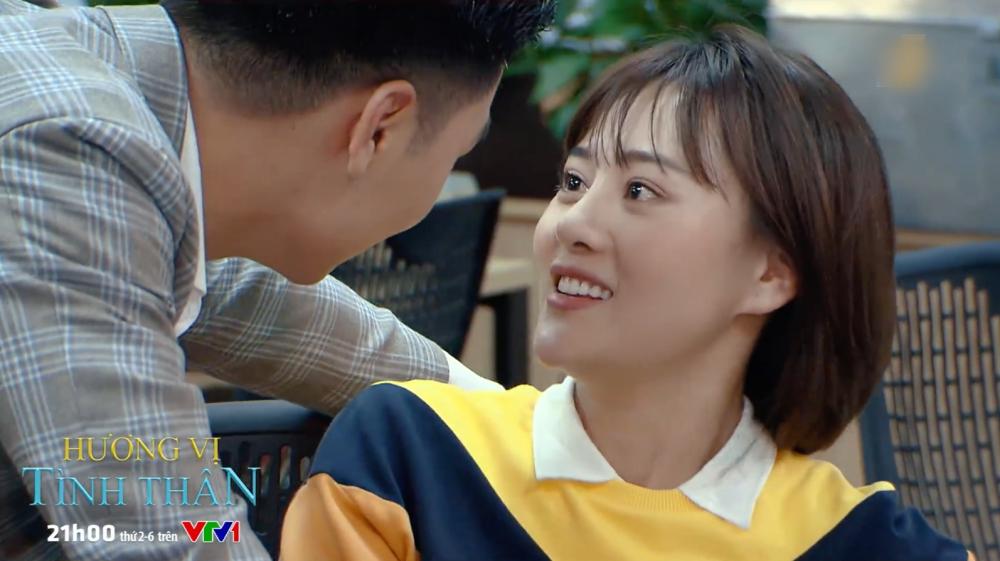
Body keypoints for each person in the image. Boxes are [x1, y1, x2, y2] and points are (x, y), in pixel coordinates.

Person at [280, 25, 974, 561]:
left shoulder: (856, 540)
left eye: (640, 190)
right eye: (573, 182)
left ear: (772, 272)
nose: (572, 224)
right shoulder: (411, 458)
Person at [0, 1, 554, 560]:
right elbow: (164, 534)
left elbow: (252, 301)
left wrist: (514, 425)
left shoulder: (87, 95)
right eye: (458, 153)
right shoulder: (65, 154)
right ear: (379, 128)